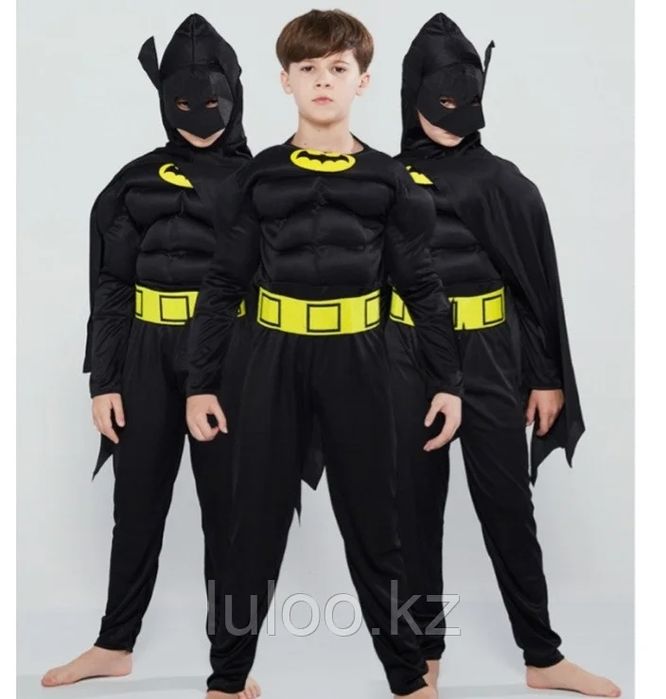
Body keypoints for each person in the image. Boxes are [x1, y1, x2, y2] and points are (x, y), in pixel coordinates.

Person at [185, 10, 463, 699]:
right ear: (285, 80)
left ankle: (409, 680)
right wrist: (200, 383)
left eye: (338, 67)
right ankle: (227, 679)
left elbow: (422, 288)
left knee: (378, 524)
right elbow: (221, 286)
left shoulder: (390, 180)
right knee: (251, 524)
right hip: (269, 359)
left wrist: (447, 381)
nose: (322, 80)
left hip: (362, 361)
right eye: (307, 68)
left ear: (362, 81)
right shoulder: (256, 178)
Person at [386, 12, 620, 697]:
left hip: (491, 355)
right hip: (409, 356)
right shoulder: (381, 181)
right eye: (439, 98)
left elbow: (535, 288)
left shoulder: (505, 183)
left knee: (508, 506)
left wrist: (545, 377)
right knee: (413, 512)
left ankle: (542, 655)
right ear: (411, 93)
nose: (452, 117)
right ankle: (421, 655)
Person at [41, 16, 260, 698]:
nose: (200, 116)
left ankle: (231, 666)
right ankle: (115, 644)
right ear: (164, 100)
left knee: (229, 512)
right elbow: (111, 284)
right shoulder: (132, 183)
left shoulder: (264, 183)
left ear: (235, 93)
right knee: (135, 502)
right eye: (183, 101)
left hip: (225, 356)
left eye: (212, 99)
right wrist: (104, 378)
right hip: (143, 354)